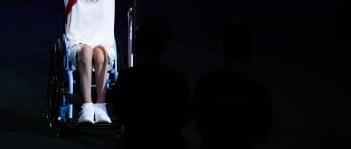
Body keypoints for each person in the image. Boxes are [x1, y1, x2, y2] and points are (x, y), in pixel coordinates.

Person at [193, 20, 274, 149]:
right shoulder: (259, 90)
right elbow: (264, 135)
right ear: (248, 52)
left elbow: (200, 125)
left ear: (223, 49)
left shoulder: (206, 83)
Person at [112, 17, 191, 149]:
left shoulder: (127, 77)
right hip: (170, 141)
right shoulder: (176, 79)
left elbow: (120, 114)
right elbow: (184, 118)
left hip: (136, 140)